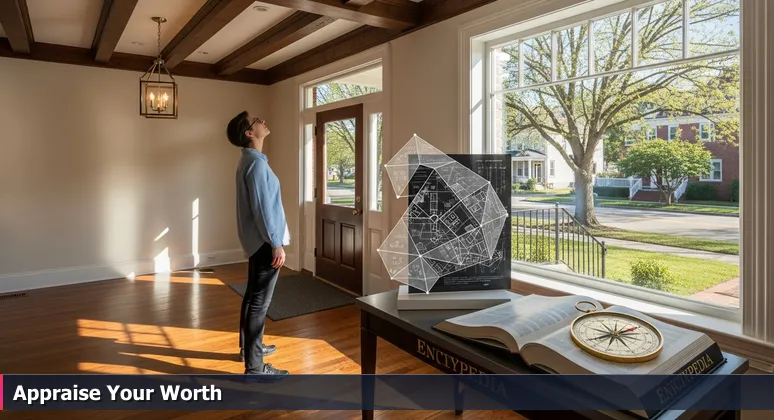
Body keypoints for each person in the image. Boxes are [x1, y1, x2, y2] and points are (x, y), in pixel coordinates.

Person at [227, 111, 290, 376]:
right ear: (249, 134)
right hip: (266, 243)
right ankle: (255, 367)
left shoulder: (251, 161)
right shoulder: (256, 165)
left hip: (258, 242)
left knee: (252, 297)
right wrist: (276, 243)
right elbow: (263, 209)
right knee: (259, 303)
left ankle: (249, 348)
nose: (263, 121)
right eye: (256, 121)